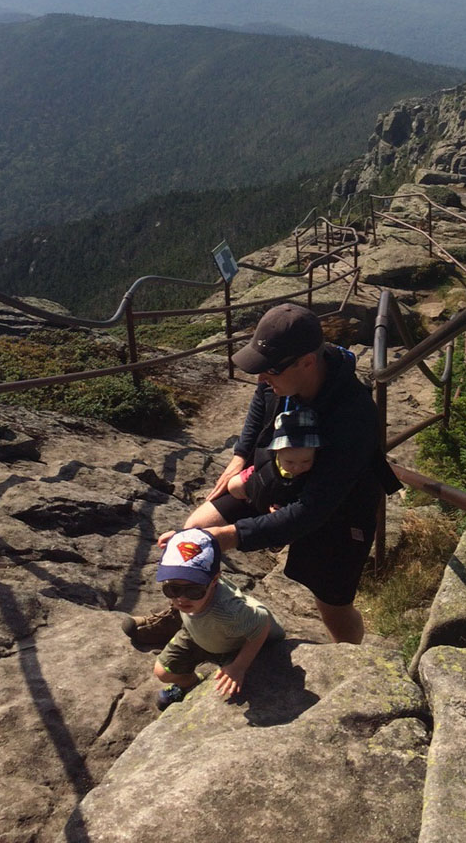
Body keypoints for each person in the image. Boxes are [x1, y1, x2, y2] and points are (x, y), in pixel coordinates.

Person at [124, 303, 400, 649]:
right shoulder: (280, 376)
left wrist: (228, 537)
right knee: (195, 529)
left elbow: (313, 510)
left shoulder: (353, 416)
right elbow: (261, 400)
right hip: (278, 474)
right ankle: (184, 614)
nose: (260, 377)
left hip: (339, 508)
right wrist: (240, 455)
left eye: (269, 370)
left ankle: (348, 661)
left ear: (307, 362)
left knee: (332, 603)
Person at [149, 526, 284, 710]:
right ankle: (191, 683)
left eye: (193, 590)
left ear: (214, 581)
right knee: (163, 672)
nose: (181, 598)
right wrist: (178, 537)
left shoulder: (227, 611)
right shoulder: (195, 594)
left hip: (234, 643)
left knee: (228, 695)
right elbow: (194, 542)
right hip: (197, 632)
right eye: (172, 589)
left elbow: (262, 621)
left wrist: (239, 667)